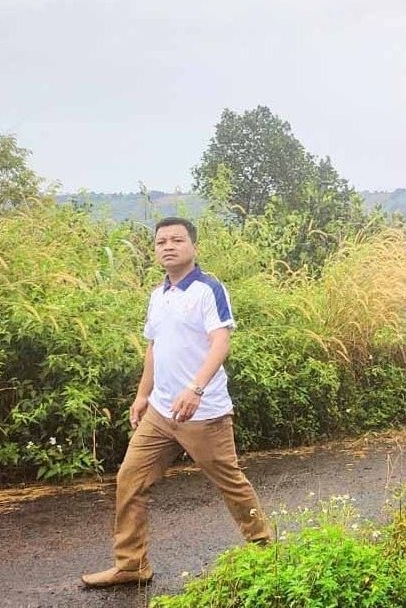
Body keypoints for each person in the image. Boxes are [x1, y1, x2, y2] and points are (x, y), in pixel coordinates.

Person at [82, 218, 270, 588]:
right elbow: (154, 348)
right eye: (161, 241)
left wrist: (196, 388)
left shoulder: (208, 289)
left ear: (193, 247)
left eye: (177, 240)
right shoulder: (158, 295)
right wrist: (141, 395)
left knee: (230, 483)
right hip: (160, 412)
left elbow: (220, 343)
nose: (168, 246)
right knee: (129, 479)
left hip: (203, 412)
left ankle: (266, 551)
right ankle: (131, 564)